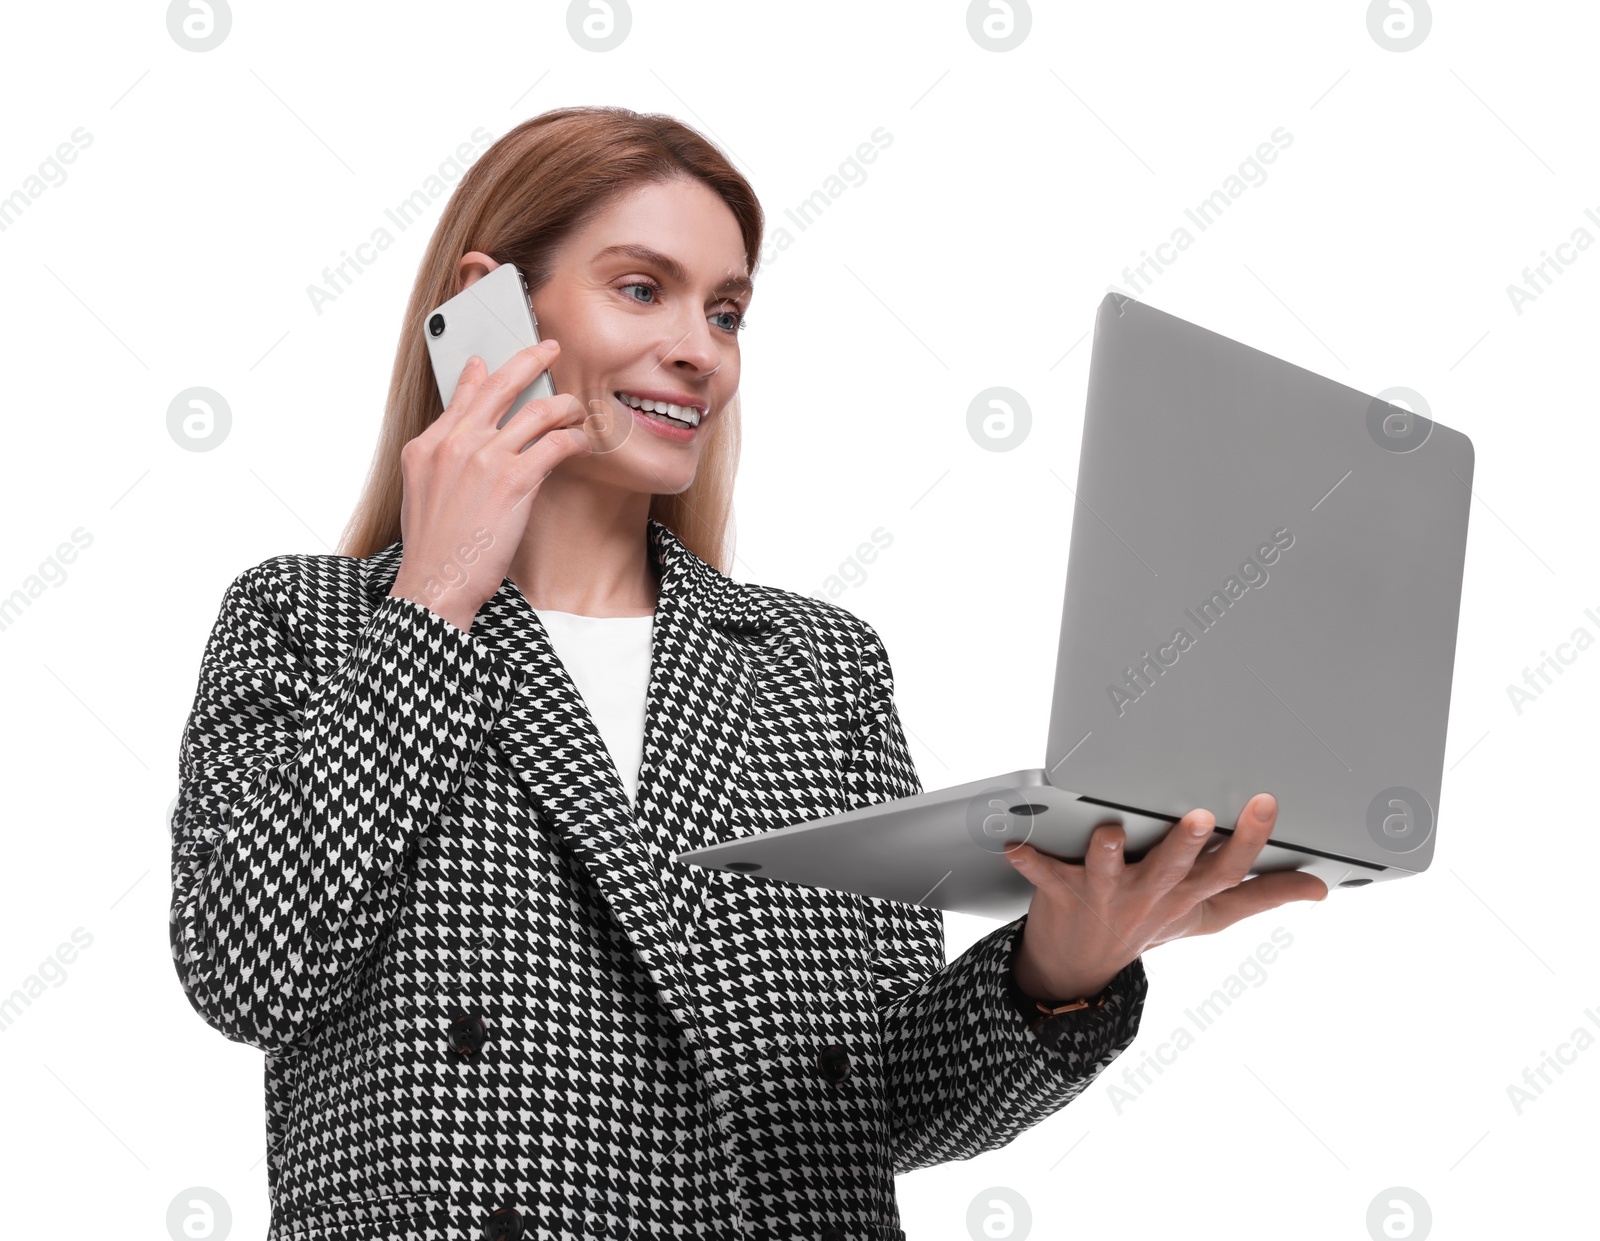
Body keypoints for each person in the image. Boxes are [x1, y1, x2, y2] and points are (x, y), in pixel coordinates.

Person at [168, 105, 1326, 1241]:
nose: (698, 348)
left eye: (725, 311)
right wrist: (434, 600)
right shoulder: (310, 622)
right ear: (489, 306)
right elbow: (247, 972)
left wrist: (1057, 966)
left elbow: (872, 1106)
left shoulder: (817, 663)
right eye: (641, 288)